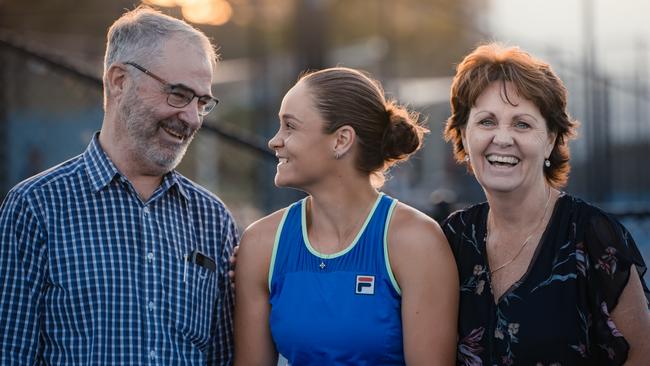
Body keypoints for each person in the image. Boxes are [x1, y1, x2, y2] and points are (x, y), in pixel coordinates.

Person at [0, 7, 237, 365]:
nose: (191, 117)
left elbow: (224, 357)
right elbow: (10, 353)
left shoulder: (212, 218)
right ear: (119, 80)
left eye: (202, 102)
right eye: (178, 94)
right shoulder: (36, 207)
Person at [442, 42, 650, 365]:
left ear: (551, 139)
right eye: (486, 122)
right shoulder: (452, 239)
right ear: (464, 135)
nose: (502, 138)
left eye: (522, 124)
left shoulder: (594, 238)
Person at [234, 67, 458, 365]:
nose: (275, 140)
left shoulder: (417, 242)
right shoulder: (261, 243)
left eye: (290, 126)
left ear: (341, 140)